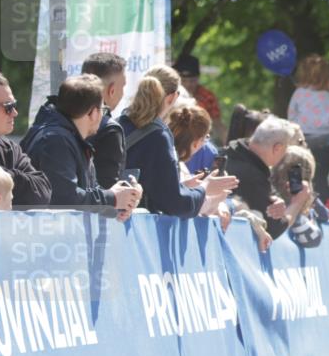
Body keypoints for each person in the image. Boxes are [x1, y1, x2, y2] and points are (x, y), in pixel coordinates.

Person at [119, 66, 236, 218]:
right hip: (138, 229)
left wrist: (183, 188)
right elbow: (174, 204)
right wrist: (204, 188)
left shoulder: (118, 124)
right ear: (173, 97)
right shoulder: (159, 137)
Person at [21, 75, 142, 219]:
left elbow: (86, 191)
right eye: (103, 110)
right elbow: (65, 199)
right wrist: (112, 198)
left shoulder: (66, 138)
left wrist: (122, 199)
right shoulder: (56, 140)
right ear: (94, 113)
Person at [0, 70, 51, 205]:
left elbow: (43, 193)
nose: (15, 113)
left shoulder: (9, 150)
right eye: (8, 106)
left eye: (14, 105)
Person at [223, 116, 300, 239]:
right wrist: (297, 203)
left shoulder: (231, 152)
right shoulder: (252, 175)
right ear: (277, 148)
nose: (285, 154)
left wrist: (278, 200)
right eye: (286, 149)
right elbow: (273, 229)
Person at [167, 102, 231, 230]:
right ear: (197, 143)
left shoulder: (175, 161)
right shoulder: (171, 162)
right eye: (206, 138)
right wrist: (214, 193)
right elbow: (181, 204)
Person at [81, 52, 128, 189]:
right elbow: (109, 192)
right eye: (123, 86)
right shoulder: (109, 130)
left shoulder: (54, 116)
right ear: (112, 90)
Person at [173, 54, 226, 144]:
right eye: (184, 80)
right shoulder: (170, 96)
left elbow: (218, 125)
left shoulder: (208, 97)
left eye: (192, 81)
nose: (188, 84)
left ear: (198, 78)